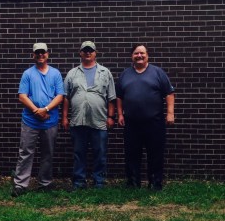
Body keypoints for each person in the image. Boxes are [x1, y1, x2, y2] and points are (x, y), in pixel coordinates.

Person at [116, 44, 175, 190]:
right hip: (131, 123)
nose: (139, 56)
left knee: (155, 154)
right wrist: (119, 114)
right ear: (132, 56)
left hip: (154, 122)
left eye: (142, 53)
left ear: (147, 55)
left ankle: (155, 183)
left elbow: (169, 93)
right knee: (131, 154)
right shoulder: (125, 74)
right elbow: (119, 96)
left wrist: (170, 113)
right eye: (136, 53)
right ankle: (133, 183)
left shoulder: (157, 72)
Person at [11, 42, 64, 196]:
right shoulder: (28, 74)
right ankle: (20, 185)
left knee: (48, 152)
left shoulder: (55, 73)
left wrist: (46, 109)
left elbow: (60, 96)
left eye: (43, 52)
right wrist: (36, 110)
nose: (41, 55)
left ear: (48, 54)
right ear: (33, 55)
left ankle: (45, 183)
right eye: (38, 52)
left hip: (50, 120)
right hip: (30, 120)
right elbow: (22, 96)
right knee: (26, 152)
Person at [62, 41, 116, 188]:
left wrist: (111, 117)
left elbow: (111, 98)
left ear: (95, 53)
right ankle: (79, 182)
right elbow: (66, 97)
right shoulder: (72, 73)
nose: (87, 53)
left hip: (99, 121)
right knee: (79, 153)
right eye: (85, 50)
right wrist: (64, 117)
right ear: (80, 53)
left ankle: (99, 182)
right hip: (78, 120)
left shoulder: (105, 72)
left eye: (90, 50)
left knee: (100, 153)